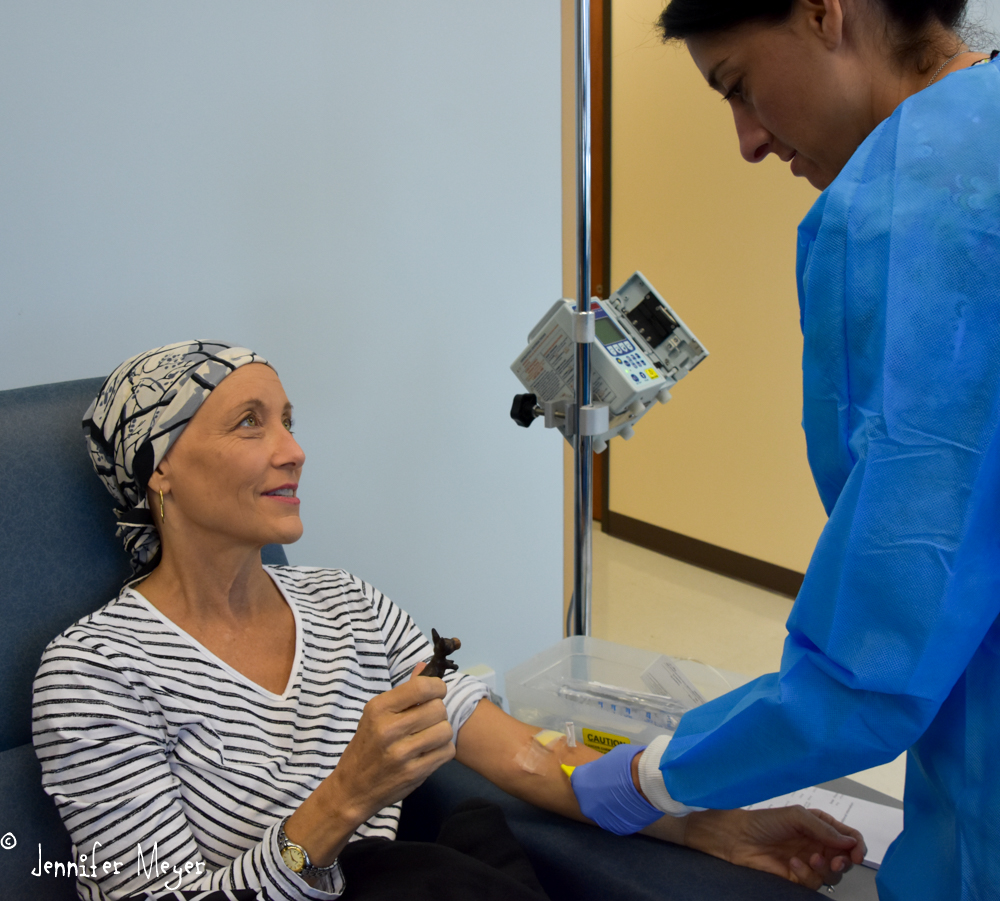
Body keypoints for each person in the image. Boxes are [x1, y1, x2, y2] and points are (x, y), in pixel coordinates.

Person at [32, 341, 864, 901]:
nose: (293, 449)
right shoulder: (93, 673)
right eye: (251, 422)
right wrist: (345, 796)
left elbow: (536, 762)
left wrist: (706, 827)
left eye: (290, 419)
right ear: (158, 471)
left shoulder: (348, 605)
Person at [566, 1, 1000, 899]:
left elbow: (877, 655)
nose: (748, 141)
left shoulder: (918, 206)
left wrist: (643, 778)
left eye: (740, 86)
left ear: (822, 11)